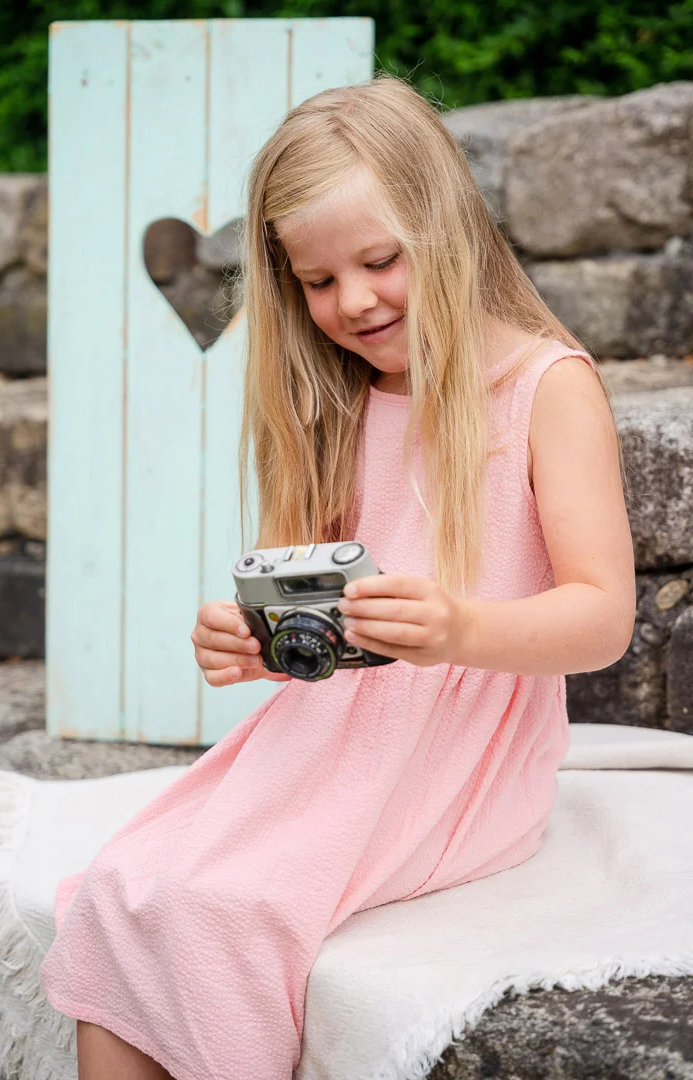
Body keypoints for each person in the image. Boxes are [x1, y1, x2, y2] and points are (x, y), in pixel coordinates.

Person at [38, 73, 637, 1080]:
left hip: (462, 754)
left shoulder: (545, 388)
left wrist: (456, 629)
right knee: (121, 884)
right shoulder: (337, 402)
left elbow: (604, 617)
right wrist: (255, 644)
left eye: (379, 261)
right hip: (333, 739)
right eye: (318, 282)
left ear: (445, 229)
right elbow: (318, 629)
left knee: (225, 908)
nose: (352, 301)